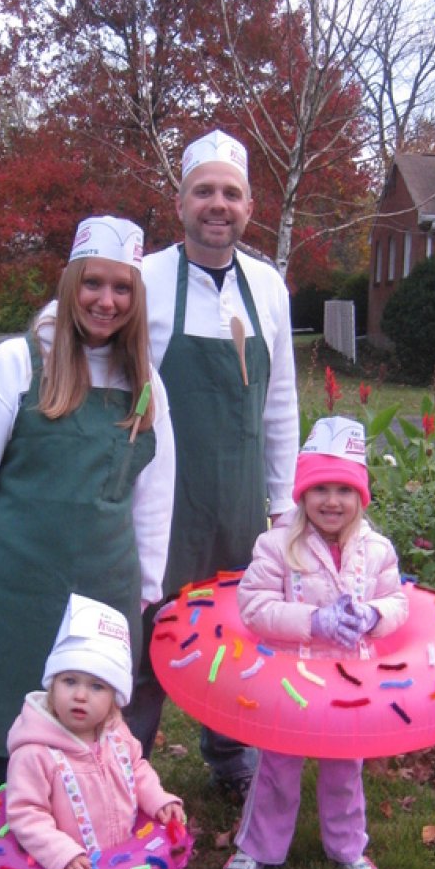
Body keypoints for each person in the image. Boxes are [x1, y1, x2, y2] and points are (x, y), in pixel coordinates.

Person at [0, 216, 175, 869]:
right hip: (18, 578)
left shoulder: (143, 381)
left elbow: (155, 489)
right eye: (93, 283)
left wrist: (149, 585)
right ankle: (17, 858)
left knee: (90, 720)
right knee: (21, 715)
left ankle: (92, 843)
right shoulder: (16, 364)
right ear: (71, 284)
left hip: (104, 579)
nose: (105, 300)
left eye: (120, 288)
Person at [124, 130, 300, 801]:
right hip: (157, 502)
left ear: (250, 206)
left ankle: (230, 756)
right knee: (145, 637)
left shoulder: (269, 287)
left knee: (235, 635)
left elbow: (279, 401)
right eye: (205, 191)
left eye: (230, 192)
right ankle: (123, 761)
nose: (216, 204)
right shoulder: (144, 281)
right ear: (181, 202)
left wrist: (284, 507)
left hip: (239, 505)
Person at [218, 416, 408, 869]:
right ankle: (258, 846)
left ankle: (348, 847)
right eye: (319, 488)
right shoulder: (278, 545)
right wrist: (313, 620)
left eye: (344, 490)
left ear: (360, 497)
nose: (331, 501)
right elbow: (255, 606)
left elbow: (398, 603)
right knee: (277, 766)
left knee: (346, 769)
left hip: (350, 683)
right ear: (301, 493)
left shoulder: (377, 550)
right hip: (291, 680)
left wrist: (371, 615)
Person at [6, 593, 185, 869]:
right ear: (52, 686)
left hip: (111, 864)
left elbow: (137, 770)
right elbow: (25, 812)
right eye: (69, 680)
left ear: (115, 700)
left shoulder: (116, 736)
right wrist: (60, 852)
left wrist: (158, 799)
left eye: (97, 685)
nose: (81, 694)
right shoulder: (35, 752)